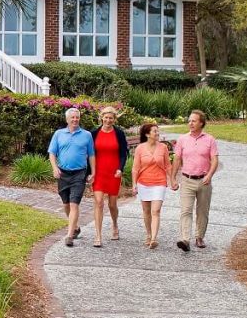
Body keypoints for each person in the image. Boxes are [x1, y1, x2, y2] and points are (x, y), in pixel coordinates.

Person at [170, 109, 220, 252]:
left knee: (202, 211)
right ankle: (185, 239)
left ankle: (199, 237)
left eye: (194, 121)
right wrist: (173, 178)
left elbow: (215, 160)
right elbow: (177, 159)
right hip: (187, 179)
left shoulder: (210, 139)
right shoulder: (182, 139)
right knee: (185, 210)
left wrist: (209, 175)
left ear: (201, 123)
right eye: (189, 120)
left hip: (204, 180)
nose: (190, 123)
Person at [48, 105, 95, 247]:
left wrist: (93, 172)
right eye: (72, 117)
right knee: (66, 204)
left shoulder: (87, 135)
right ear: (67, 119)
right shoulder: (58, 134)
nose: (75, 120)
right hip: (63, 173)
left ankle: (69, 235)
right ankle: (75, 227)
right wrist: (55, 168)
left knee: (74, 203)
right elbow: (52, 153)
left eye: (77, 117)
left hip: (79, 173)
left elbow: (92, 155)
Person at [89, 105, 129, 246]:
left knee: (112, 204)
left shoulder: (119, 133)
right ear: (102, 118)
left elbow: (124, 154)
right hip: (99, 172)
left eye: (111, 118)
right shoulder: (94, 133)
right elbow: (90, 154)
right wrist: (90, 172)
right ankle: (98, 235)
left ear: (114, 119)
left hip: (113, 172)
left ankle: (115, 224)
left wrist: (120, 168)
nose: (108, 120)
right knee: (99, 202)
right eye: (106, 117)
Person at [133, 121, 171, 249]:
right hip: (143, 183)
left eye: (158, 131)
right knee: (146, 211)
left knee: (156, 210)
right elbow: (135, 168)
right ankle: (148, 234)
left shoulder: (163, 148)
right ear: (147, 134)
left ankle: (154, 238)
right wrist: (134, 184)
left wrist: (172, 180)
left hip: (159, 183)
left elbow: (168, 166)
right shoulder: (140, 148)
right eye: (155, 131)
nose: (157, 133)